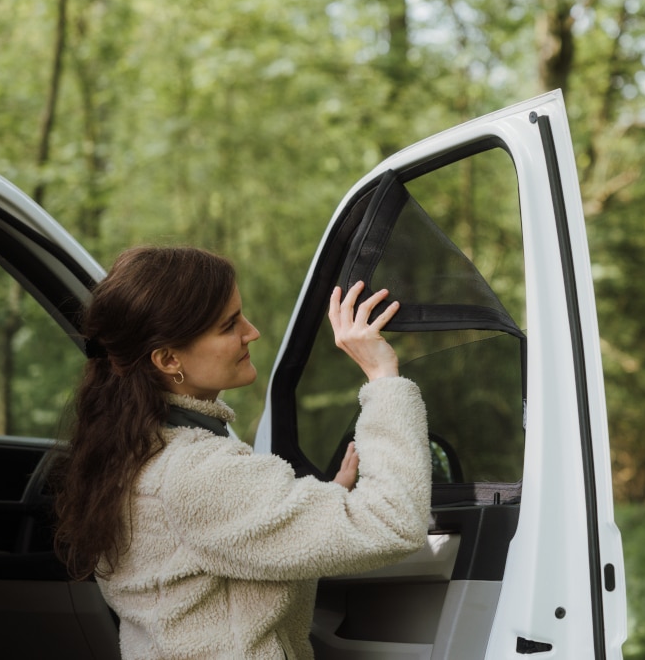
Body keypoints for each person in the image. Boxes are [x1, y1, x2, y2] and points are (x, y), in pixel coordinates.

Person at [53, 246, 431, 660]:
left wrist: (325, 501)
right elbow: (393, 523)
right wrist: (383, 377)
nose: (252, 332)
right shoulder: (197, 474)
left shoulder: (130, 455)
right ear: (168, 359)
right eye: (229, 325)